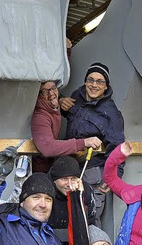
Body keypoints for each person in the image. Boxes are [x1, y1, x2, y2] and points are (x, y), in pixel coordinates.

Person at [59, 62, 125, 226]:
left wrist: (113, 177)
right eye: (90, 80)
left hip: (93, 171)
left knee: (89, 219)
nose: (94, 85)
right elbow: (69, 113)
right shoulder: (77, 97)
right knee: (71, 217)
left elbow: (118, 147)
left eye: (99, 82)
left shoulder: (111, 112)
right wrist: (61, 103)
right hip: (72, 170)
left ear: (106, 86)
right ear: (85, 81)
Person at [31, 80, 101, 173]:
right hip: (38, 171)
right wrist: (83, 143)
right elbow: (48, 147)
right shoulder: (40, 116)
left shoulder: (52, 108)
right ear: (38, 96)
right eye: (44, 91)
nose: (51, 93)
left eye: (53, 88)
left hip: (49, 167)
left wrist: (61, 100)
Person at [47, 155, 96, 230]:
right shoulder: (45, 191)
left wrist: (78, 196)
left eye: (73, 178)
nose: (69, 184)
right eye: (64, 179)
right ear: (54, 180)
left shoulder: (86, 191)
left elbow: (90, 223)